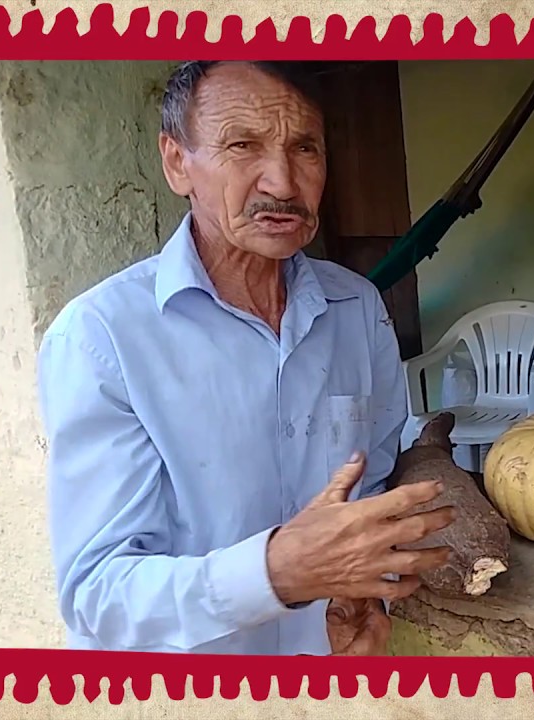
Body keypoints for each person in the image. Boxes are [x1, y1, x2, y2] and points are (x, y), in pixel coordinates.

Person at [37, 60, 454, 656]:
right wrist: (276, 572)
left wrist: (366, 596)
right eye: (242, 145)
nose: (283, 183)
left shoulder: (356, 308)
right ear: (178, 161)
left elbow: (373, 484)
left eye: (306, 148)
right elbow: (96, 596)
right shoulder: (101, 339)